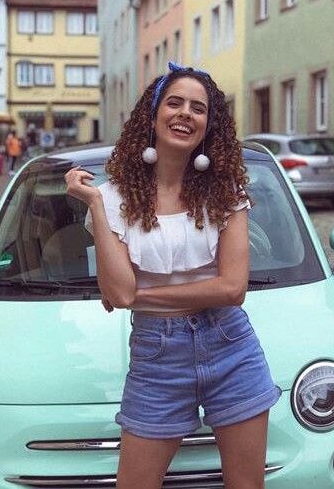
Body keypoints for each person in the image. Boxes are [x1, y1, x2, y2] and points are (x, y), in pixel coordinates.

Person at [65, 62, 282, 489]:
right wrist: (93, 203)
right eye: (175, 102)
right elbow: (120, 291)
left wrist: (143, 295)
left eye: (198, 109)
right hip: (157, 356)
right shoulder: (111, 198)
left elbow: (232, 289)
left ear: (208, 126)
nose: (186, 113)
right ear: (153, 114)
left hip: (231, 347)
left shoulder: (227, 194)